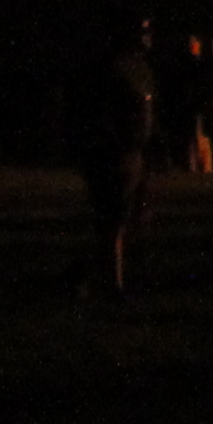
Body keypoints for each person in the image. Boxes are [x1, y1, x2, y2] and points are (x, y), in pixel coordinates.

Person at [67, 17, 160, 297]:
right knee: (113, 220)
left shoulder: (141, 69)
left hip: (135, 152)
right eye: (143, 32)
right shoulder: (112, 69)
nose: (148, 37)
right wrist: (112, 145)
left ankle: (89, 274)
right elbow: (100, 112)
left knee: (134, 219)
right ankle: (112, 285)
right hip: (115, 154)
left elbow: (148, 111)